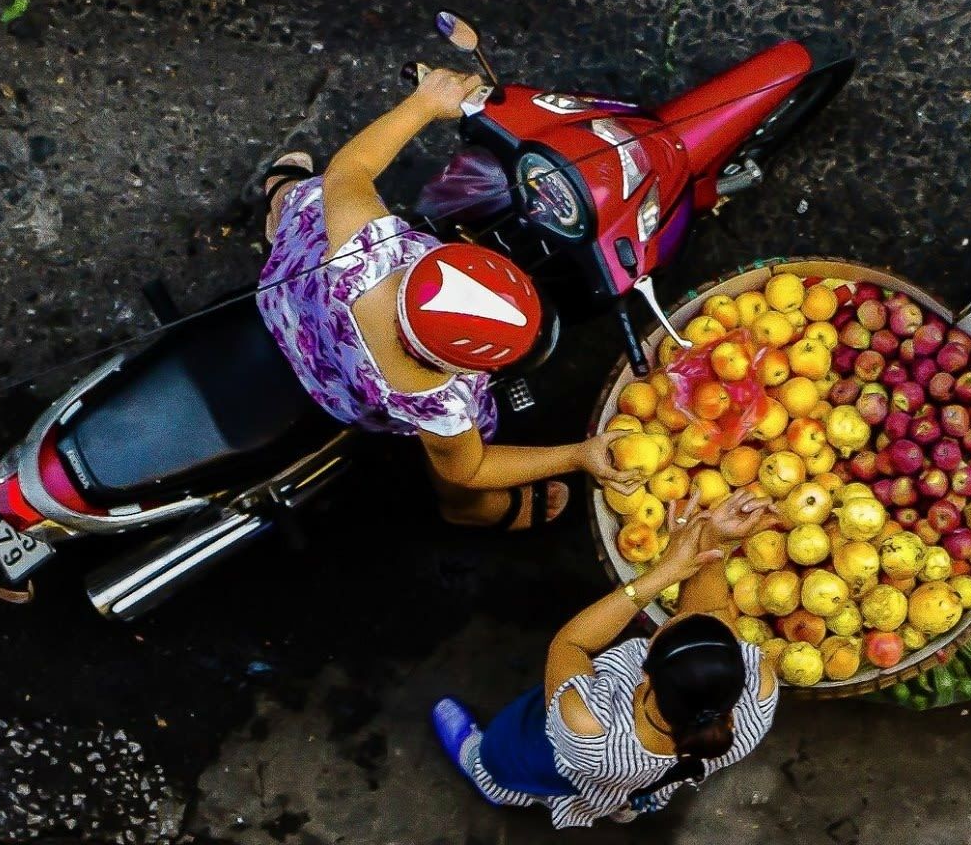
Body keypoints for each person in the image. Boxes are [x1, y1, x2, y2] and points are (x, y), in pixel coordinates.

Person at [257, 67, 635, 530]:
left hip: (294, 297)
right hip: (346, 389)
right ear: (459, 367)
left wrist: (424, 105)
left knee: (308, 202)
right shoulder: (441, 402)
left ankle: (279, 197)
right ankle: (471, 512)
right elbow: (469, 467)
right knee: (457, 472)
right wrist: (578, 455)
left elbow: (346, 172)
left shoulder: (366, 252)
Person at [430, 491, 780, 826]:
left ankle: (480, 768)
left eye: (671, 624)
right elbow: (711, 608)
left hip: (574, 764)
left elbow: (570, 645)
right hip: (642, 775)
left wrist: (660, 574)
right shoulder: (758, 693)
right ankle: (626, 805)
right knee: (631, 792)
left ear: (645, 671)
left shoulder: (589, 727)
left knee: (506, 759)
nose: (682, 613)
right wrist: (715, 542)